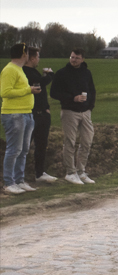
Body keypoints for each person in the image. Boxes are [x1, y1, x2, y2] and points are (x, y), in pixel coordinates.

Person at [51, 47, 97, 185]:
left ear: (82, 59)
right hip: (69, 111)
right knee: (70, 142)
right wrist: (72, 98)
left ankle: (81, 171)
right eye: (72, 57)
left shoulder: (86, 73)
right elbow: (54, 93)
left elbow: (92, 90)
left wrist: (90, 106)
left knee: (87, 141)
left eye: (76, 58)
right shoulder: (61, 73)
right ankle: (70, 173)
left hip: (85, 112)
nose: (73, 60)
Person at [2, 43, 39, 194]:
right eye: (28, 53)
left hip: (26, 113)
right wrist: (28, 90)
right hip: (14, 114)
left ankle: (19, 180)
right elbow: (5, 91)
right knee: (14, 149)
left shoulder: (19, 70)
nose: (29, 56)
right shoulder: (10, 69)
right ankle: (9, 183)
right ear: (23, 54)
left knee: (23, 150)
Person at [23, 47, 56, 184]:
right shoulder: (25, 72)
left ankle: (40, 173)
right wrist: (49, 76)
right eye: (37, 57)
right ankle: (19, 177)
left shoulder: (34, 72)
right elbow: (40, 84)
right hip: (32, 115)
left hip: (42, 115)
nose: (38, 60)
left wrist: (46, 109)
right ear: (31, 58)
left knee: (41, 145)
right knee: (24, 147)